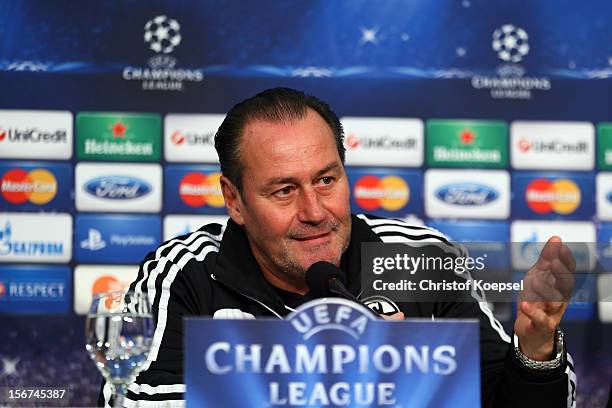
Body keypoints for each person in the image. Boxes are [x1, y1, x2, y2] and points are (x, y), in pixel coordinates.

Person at [100, 87, 577, 407]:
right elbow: (132, 400)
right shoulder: (185, 274)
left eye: (327, 180)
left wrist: (536, 354)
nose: (315, 211)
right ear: (235, 201)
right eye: (284, 190)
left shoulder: (419, 261)